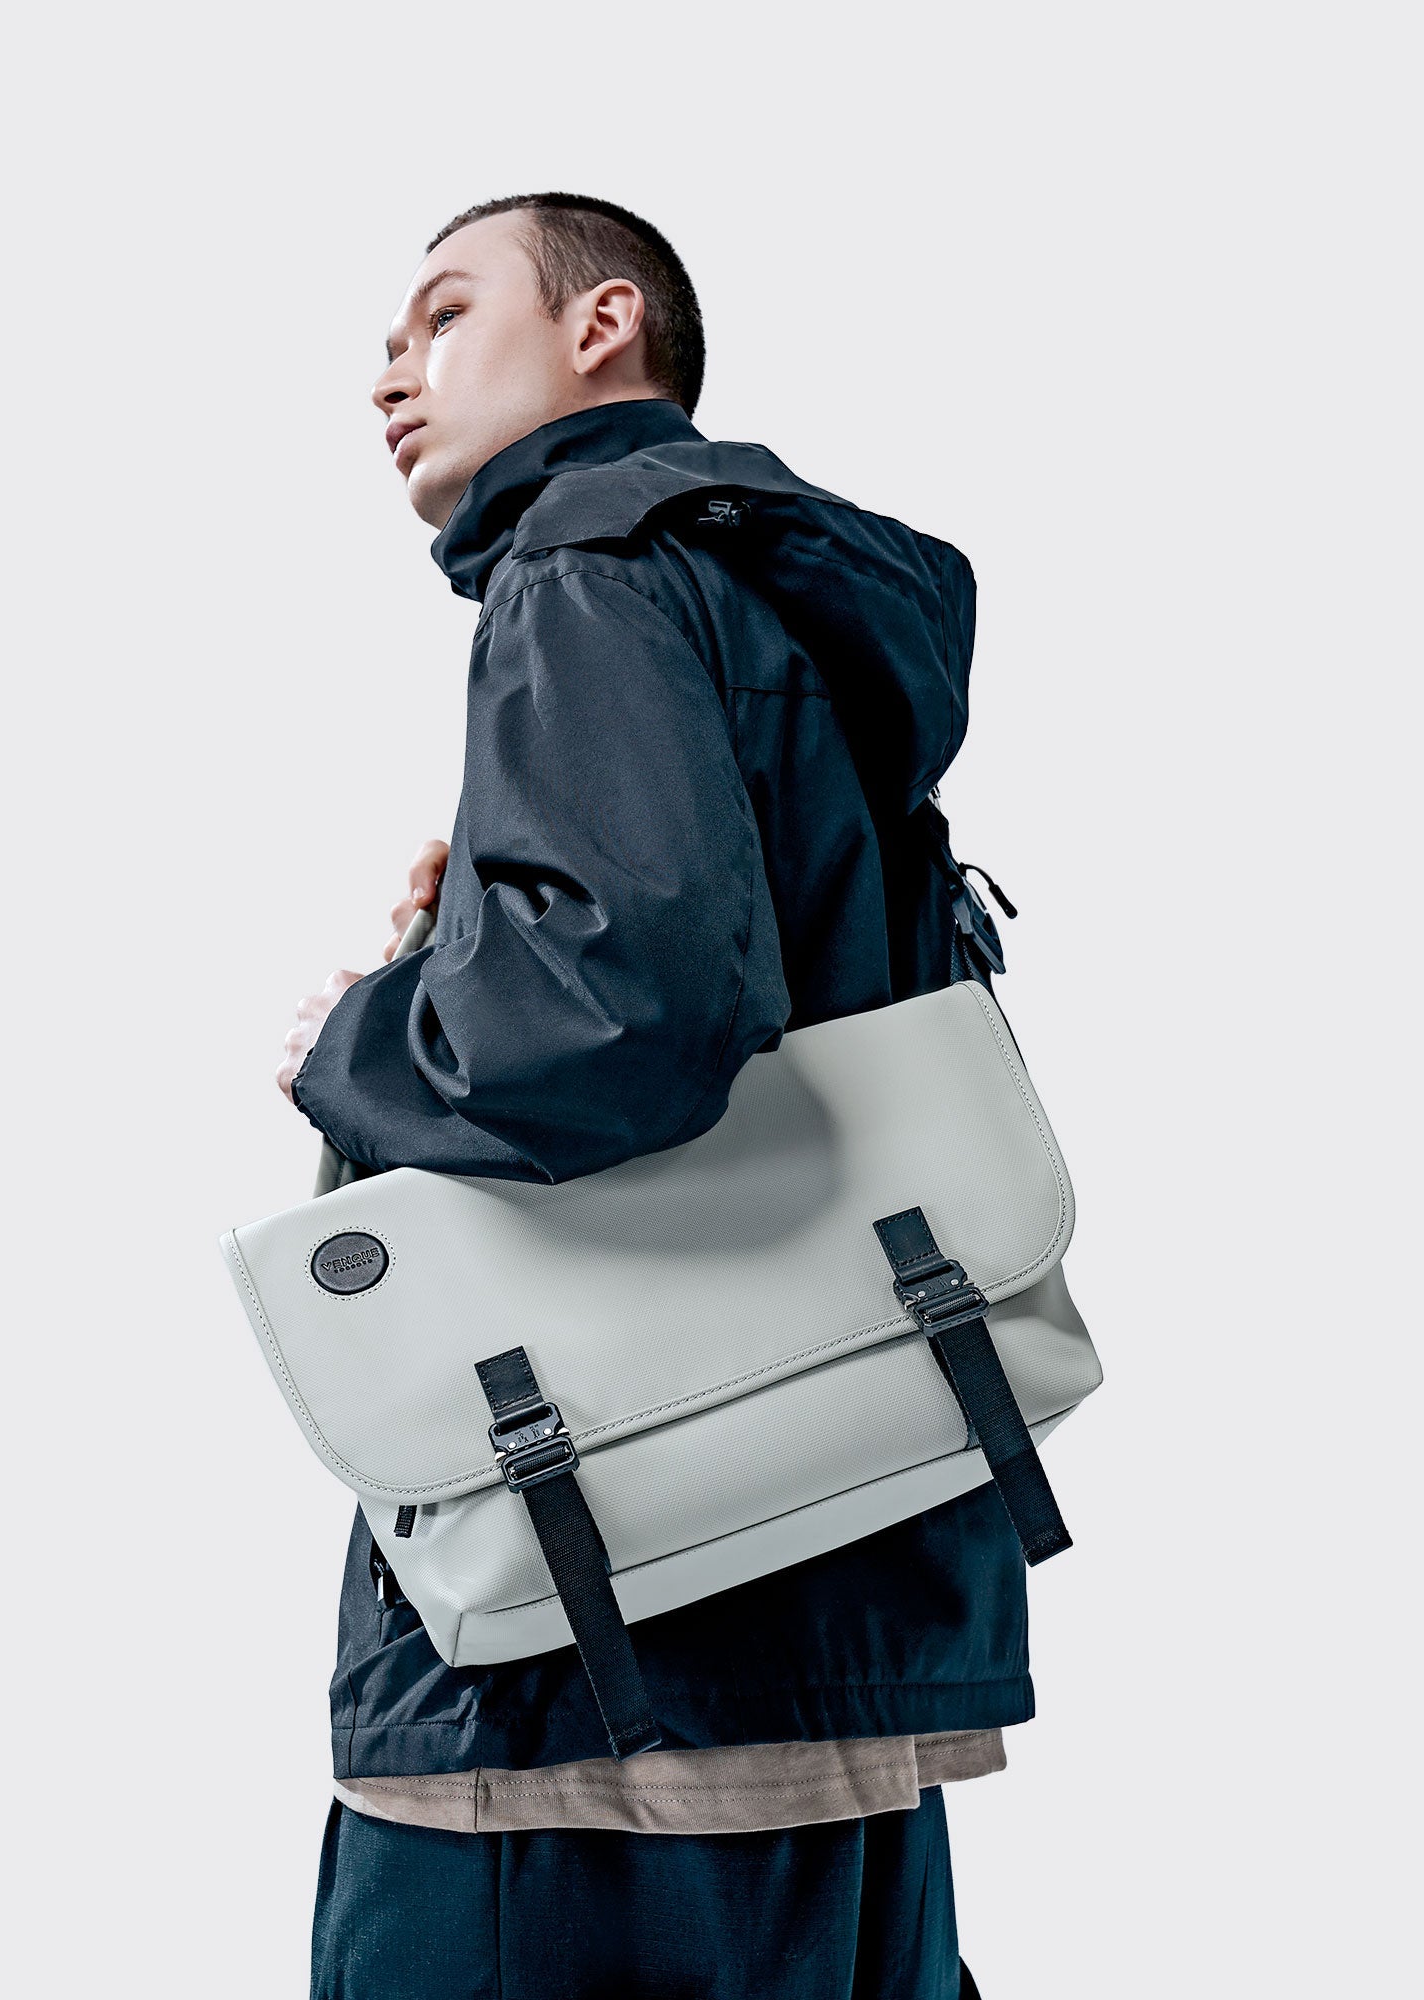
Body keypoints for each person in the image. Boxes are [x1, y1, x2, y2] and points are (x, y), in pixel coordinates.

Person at [277, 193, 1022, 2000]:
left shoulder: (586, 565)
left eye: (444, 315)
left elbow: (630, 1024)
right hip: (843, 1593)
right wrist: (472, 945)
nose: (391, 373)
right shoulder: (789, 601)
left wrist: (357, 1037)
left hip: (587, 1668)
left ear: (602, 324)